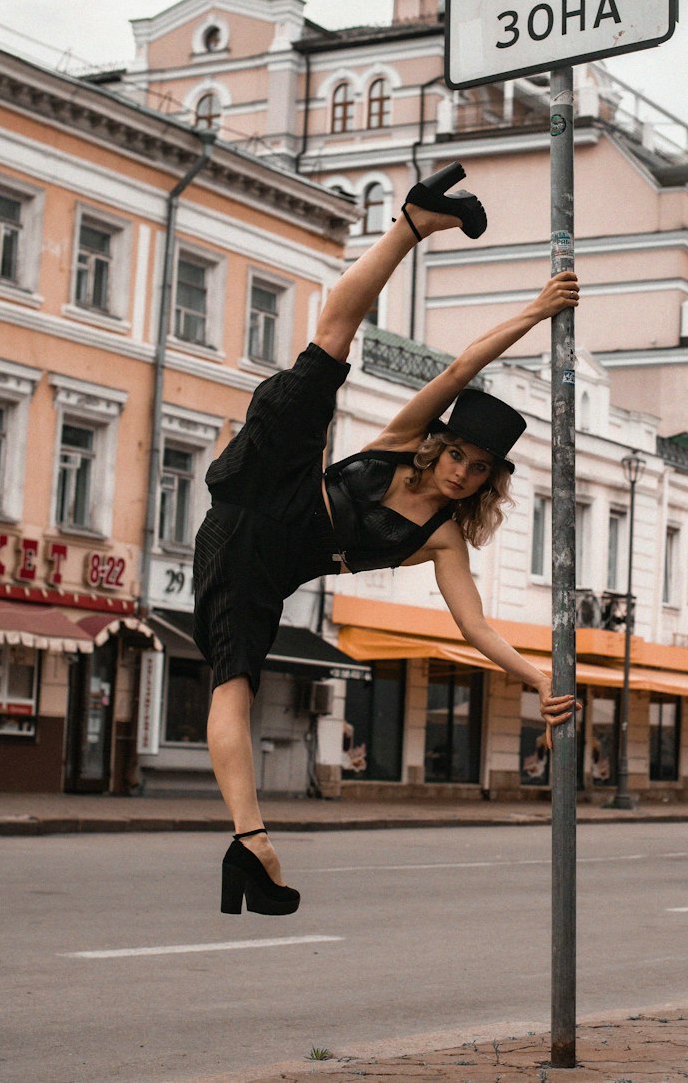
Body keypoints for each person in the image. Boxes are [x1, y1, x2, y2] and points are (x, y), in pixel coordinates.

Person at [193, 163, 580, 916]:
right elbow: (466, 363)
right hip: (274, 483)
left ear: (490, 480)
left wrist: (536, 678)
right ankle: (413, 221)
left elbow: (473, 628)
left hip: (254, 563)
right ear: (443, 445)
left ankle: (249, 843)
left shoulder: (443, 540)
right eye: (460, 454)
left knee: (232, 681)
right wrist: (537, 310)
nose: (464, 473)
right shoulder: (406, 441)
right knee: (329, 347)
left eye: (480, 469)